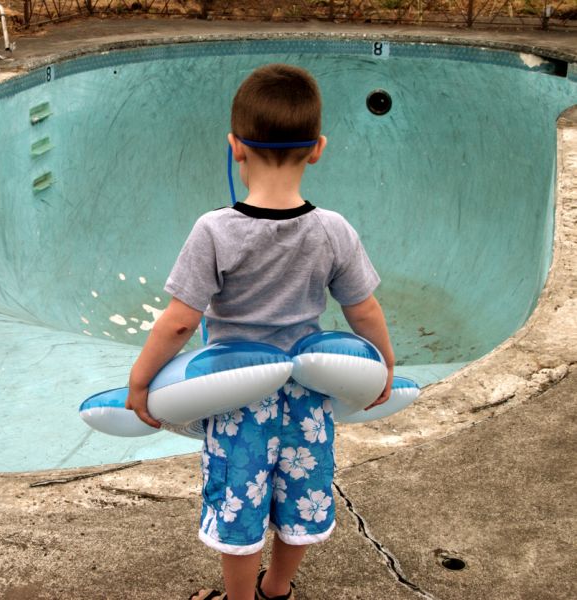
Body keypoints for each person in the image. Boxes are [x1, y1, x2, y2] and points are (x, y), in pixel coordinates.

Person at [125, 64, 395, 600]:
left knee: (239, 504)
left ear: (235, 147)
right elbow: (363, 311)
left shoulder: (216, 231)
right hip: (307, 398)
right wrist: (383, 367)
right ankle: (277, 590)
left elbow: (180, 320)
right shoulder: (332, 230)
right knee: (303, 500)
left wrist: (140, 379)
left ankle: (239, 599)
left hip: (237, 399)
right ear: (318, 148)